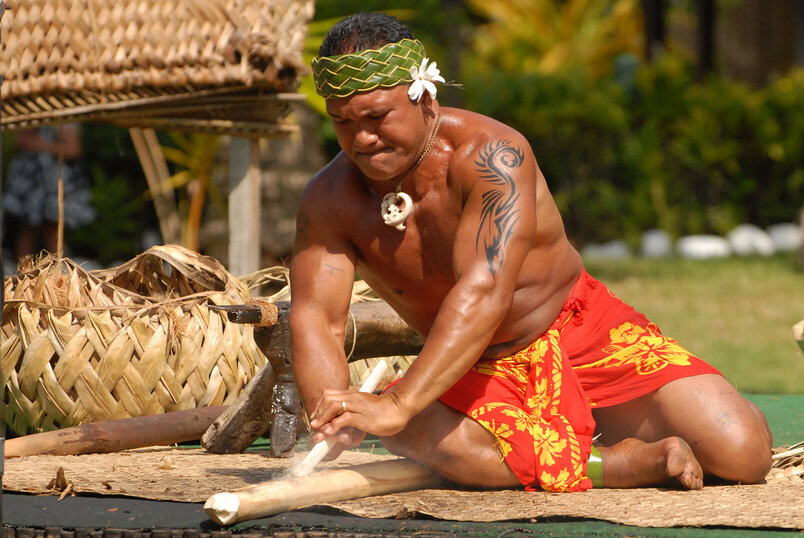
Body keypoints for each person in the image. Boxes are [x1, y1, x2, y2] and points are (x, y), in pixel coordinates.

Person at [289, 13, 772, 492]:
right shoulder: (330, 199)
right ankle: (615, 465)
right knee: (412, 431)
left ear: (424, 96)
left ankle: (613, 417)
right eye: (342, 122)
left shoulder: (492, 156)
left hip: (576, 331)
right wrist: (332, 410)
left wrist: (396, 404)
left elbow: (484, 290)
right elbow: (317, 316)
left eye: (377, 117)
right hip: (470, 367)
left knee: (742, 453)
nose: (362, 139)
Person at [4, 124, 95, 262]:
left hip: (52, 181)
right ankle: (22, 275)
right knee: (28, 228)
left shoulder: (62, 121)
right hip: (30, 182)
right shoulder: (30, 119)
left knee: (52, 229)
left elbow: (73, 149)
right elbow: (20, 141)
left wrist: (42, 145)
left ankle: (58, 273)